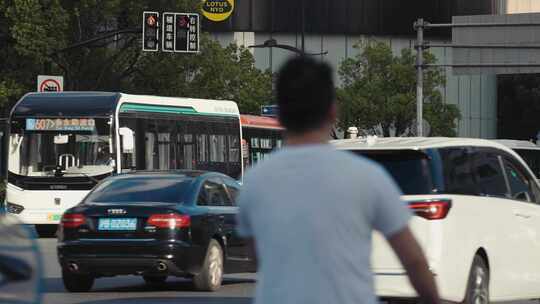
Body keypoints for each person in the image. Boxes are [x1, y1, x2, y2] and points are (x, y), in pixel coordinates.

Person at [236, 56, 440, 304]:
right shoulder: (367, 177)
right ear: (332, 111)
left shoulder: (254, 183)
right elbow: (414, 260)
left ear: (280, 114)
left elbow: (259, 259)